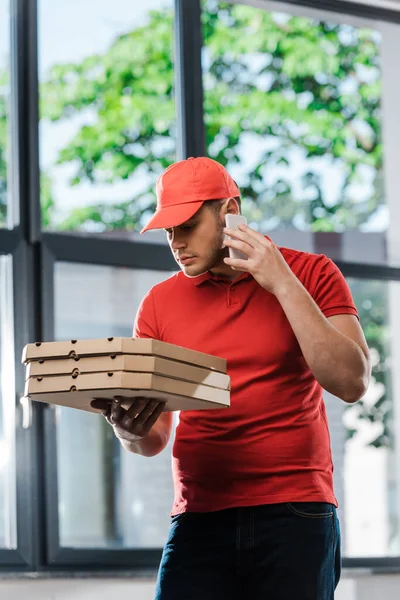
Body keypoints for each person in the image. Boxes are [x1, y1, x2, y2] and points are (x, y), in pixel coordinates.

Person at [92, 156, 371, 600]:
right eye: (168, 231)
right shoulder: (158, 304)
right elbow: (153, 439)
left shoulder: (313, 273)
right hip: (200, 515)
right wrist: (128, 431)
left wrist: (280, 280)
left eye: (186, 226)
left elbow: (351, 382)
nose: (176, 243)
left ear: (229, 211)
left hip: (296, 512)